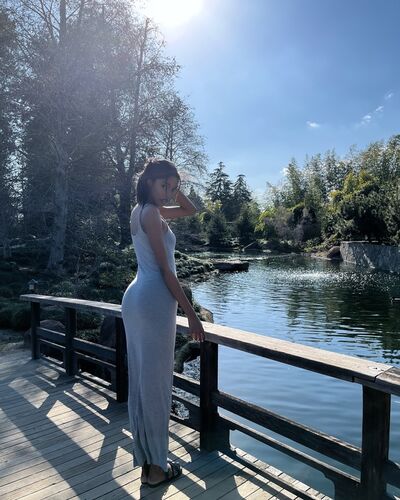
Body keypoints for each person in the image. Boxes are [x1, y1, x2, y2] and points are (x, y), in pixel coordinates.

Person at [121, 158, 206, 488]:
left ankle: (150, 463)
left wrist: (175, 184)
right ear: (148, 182)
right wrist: (192, 313)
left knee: (144, 383)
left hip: (138, 298)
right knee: (156, 385)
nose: (168, 192)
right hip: (154, 298)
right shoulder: (151, 213)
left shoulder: (144, 210)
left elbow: (190, 210)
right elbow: (166, 272)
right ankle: (156, 468)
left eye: (172, 187)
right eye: (163, 186)